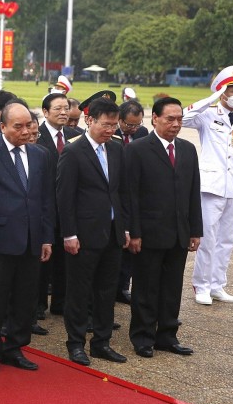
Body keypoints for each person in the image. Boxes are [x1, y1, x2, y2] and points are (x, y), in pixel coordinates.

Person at [0, 103, 54, 374]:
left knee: (25, 298)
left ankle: (15, 347)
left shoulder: (40, 155)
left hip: (31, 240)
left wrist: (46, 238)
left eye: (29, 125)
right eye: (17, 126)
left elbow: (45, 200)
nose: (24, 131)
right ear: (2, 126)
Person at [126, 97, 202, 358]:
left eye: (179, 119)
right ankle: (143, 336)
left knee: (171, 287)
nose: (176, 124)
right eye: (170, 119)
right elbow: (131, 195)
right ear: (154, 118)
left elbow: (193, 193)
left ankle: (167, 335)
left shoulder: (188, 149)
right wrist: (133, 232)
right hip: (148, 233)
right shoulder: (137, 149)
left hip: (179, 232)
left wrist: (195, 230)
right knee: (146, 288)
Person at [57, 95, 129, 367]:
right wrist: (69, 234)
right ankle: (76, 344)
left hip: (112, 233)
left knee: (106, 291)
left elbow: (122, 192)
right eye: (106, 125)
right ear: (89, 121)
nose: (111, 130)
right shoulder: (74, 152)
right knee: (79, 292)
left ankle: (101, 342)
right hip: (83, 235)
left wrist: (125, 227)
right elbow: (64, 198)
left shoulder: (117, 150)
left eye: (114, 125)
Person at [183, 66, 233, 305]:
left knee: (226, 239)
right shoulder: (208, 114)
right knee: (207, 238)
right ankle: (201, 285)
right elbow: (184, 117)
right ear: (222, 91)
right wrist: (212, 97)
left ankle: (218, 284)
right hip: (211, 185)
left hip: (232, 186)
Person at [37, 93, 81, 318]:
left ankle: (61, 303)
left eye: (66, 108)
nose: (64, 113)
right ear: (45, 112)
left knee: (66, 259)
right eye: (58, 109)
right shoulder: (35, 136)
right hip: (44, 206)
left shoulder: (76, 136)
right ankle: (37, 307)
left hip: (69, 208)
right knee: (43, 260)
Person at [114, 100, 149, 305]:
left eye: (137, 124)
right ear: (120, 120)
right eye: (129, 125)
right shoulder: (111, 133)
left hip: (135, 193)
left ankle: (123, 287)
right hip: (116, 192)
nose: (133, 129)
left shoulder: (143, 133)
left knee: (131, 246)